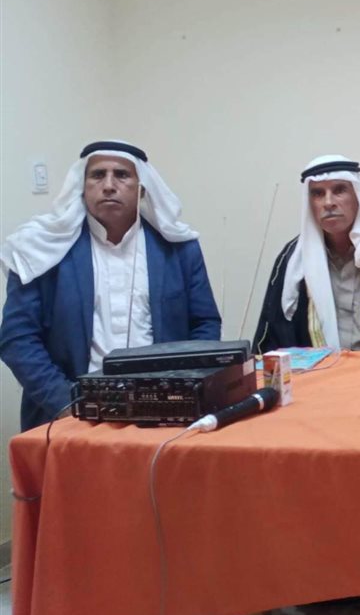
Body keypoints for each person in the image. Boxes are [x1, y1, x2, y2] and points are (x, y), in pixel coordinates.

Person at [0, 140, 220, 430]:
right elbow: (17, 338)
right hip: (70, 416)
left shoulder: (179, 249)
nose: (108, 185)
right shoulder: (40, 249)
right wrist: (67, 402)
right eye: (97, 175)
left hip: (165, 415)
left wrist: (182, 390)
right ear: (82, 186)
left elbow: (205, 325)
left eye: (122, 175)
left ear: (142, 188)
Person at [254, 155, 360, 355]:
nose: (328, 202)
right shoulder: (293, 259)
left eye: (339, 190)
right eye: (318, 193)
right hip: (319, 370)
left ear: (357, 195)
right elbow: (273, 336)